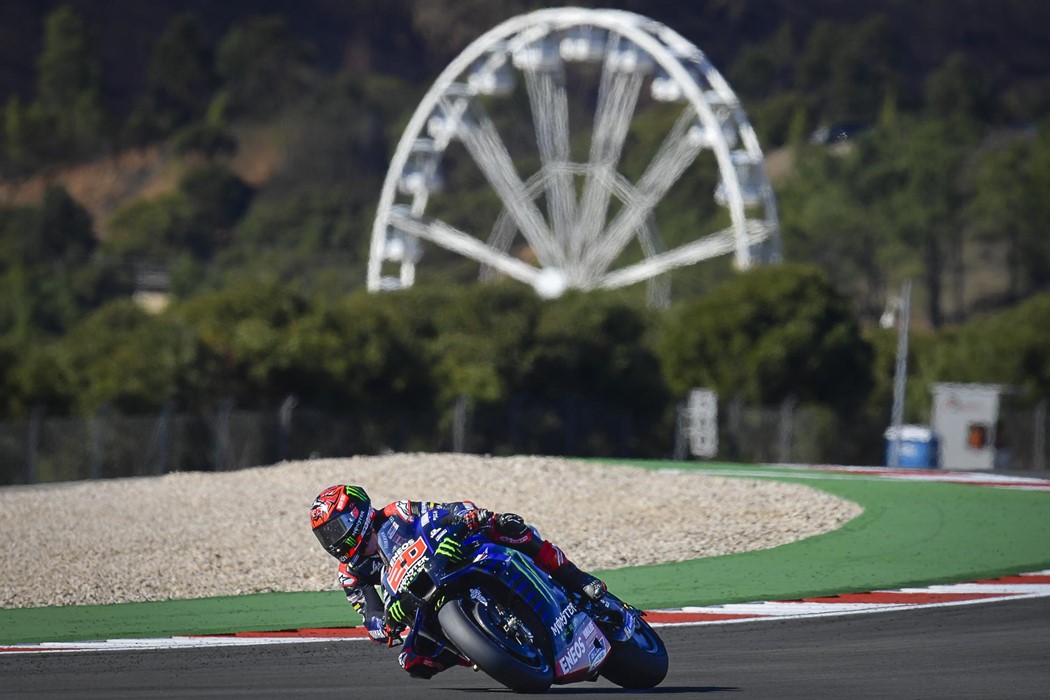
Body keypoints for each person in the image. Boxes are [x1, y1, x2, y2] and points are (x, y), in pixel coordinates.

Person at [310, 483, 606, 679]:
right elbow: (370, 617)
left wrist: (464, 520)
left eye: (336, 528)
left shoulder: (396, 513)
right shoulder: (350, 572)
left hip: (449, 558)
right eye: (326, 535)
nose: (333, 540)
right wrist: (387, 620)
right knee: (413, 661)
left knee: (506, 527)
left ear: (356, 513)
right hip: (416, 601)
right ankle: (481, 649)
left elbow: (443, 510)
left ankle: (576, 578)